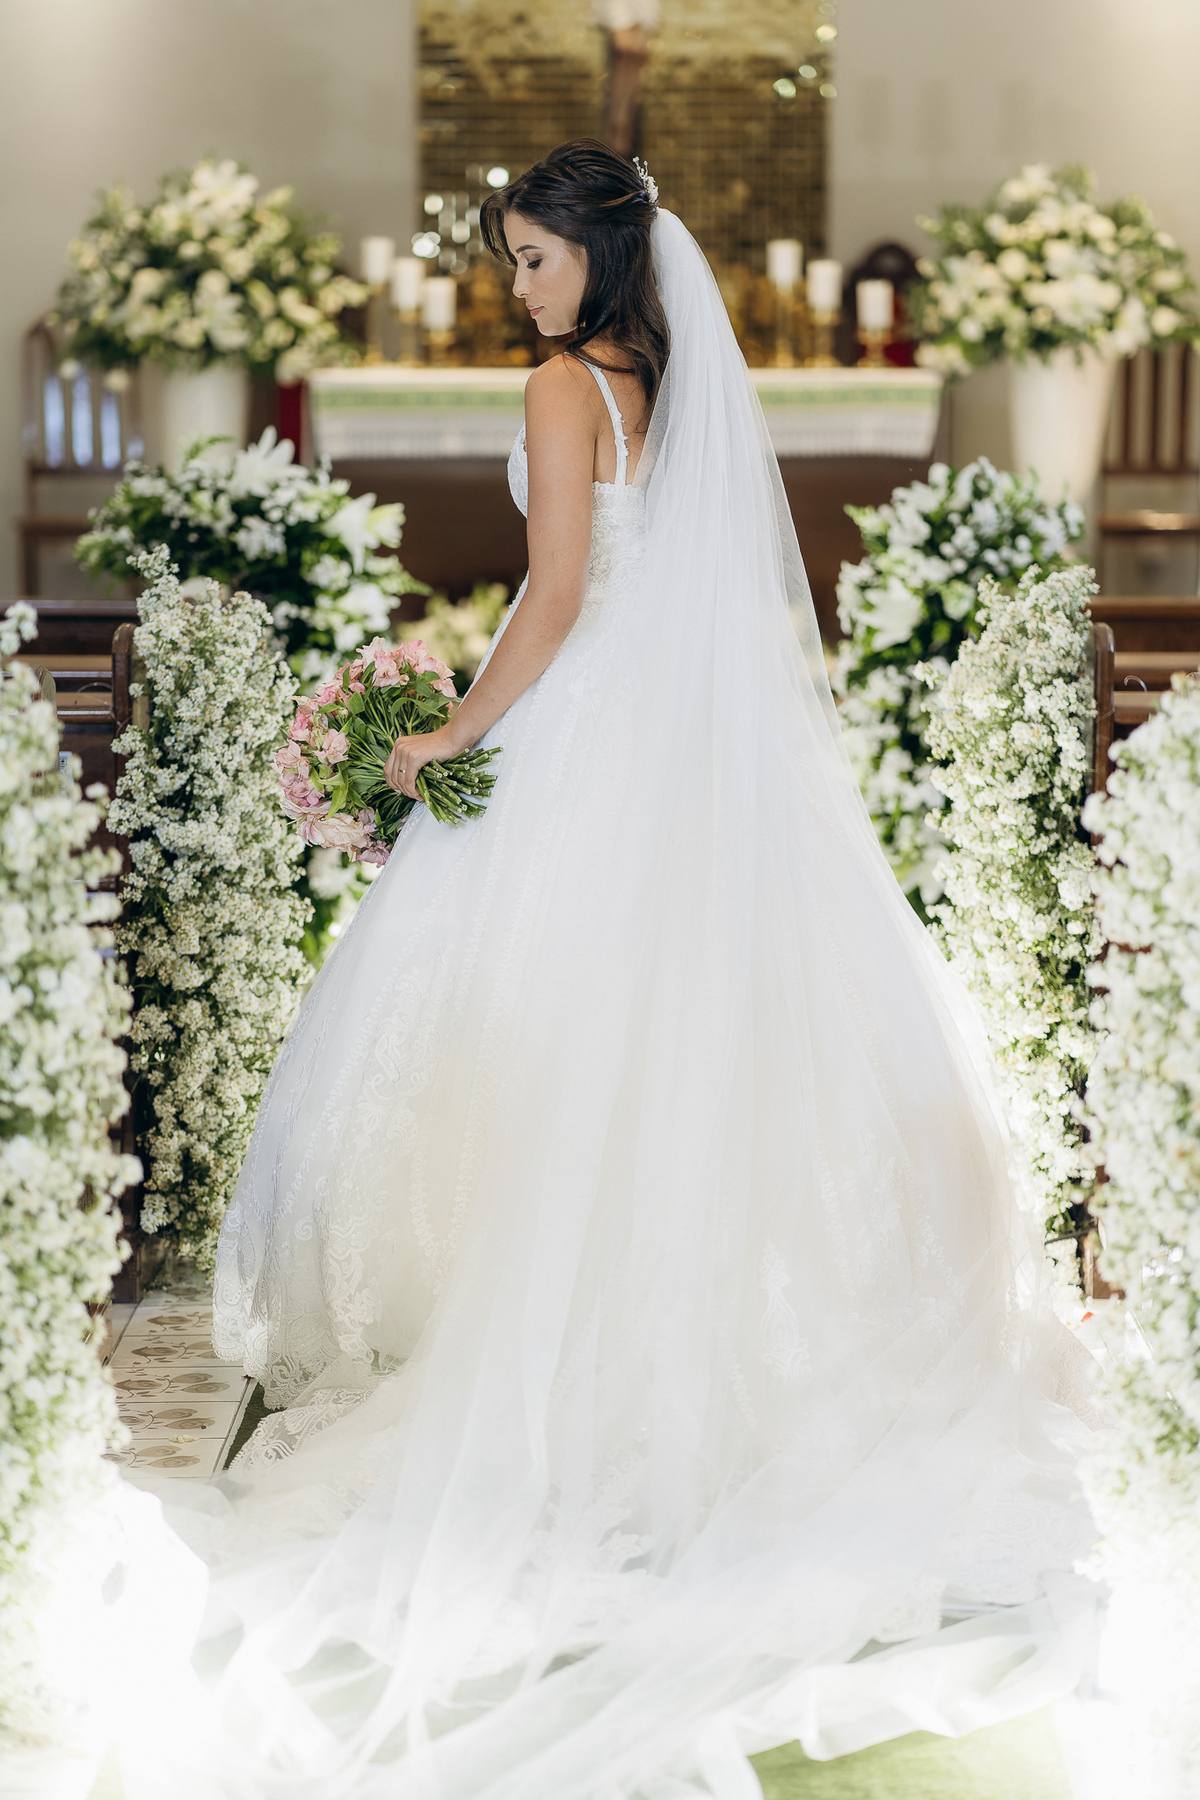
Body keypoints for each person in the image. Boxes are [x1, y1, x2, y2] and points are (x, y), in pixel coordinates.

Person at [128, 141, 1100, 1799]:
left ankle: (560, 1360)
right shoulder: (673, 374)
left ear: (594, 251)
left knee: (559, 1044)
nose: (519, 289)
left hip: (592, 743)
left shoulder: (564, 388)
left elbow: (558, 598)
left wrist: (444, 726)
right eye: (509, 264)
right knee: (697, 1044)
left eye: (531, 260)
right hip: (697, 762)